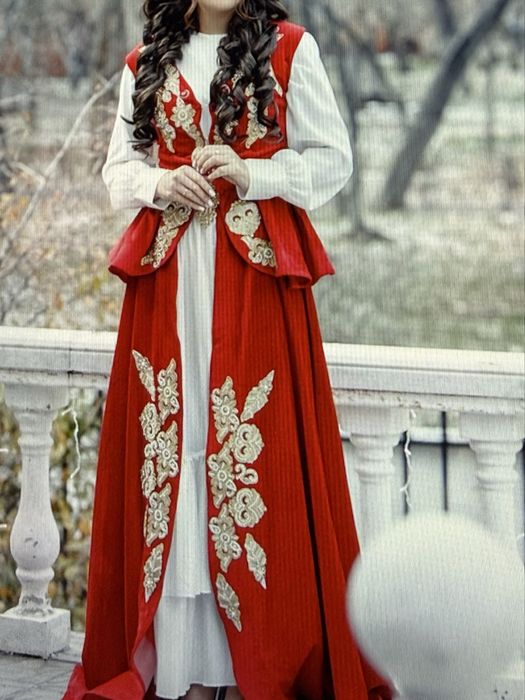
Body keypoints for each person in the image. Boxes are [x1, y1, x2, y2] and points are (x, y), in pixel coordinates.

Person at [62, 1, 393, 699]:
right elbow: (118, 171)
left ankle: (253, 669)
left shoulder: (289, 50)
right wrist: (159, 183)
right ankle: (187, 669)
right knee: (174, 454)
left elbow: (333, 161)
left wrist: (252, 173)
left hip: (254, 289)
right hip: (168, 288)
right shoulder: (146, 61)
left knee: (251, 461)